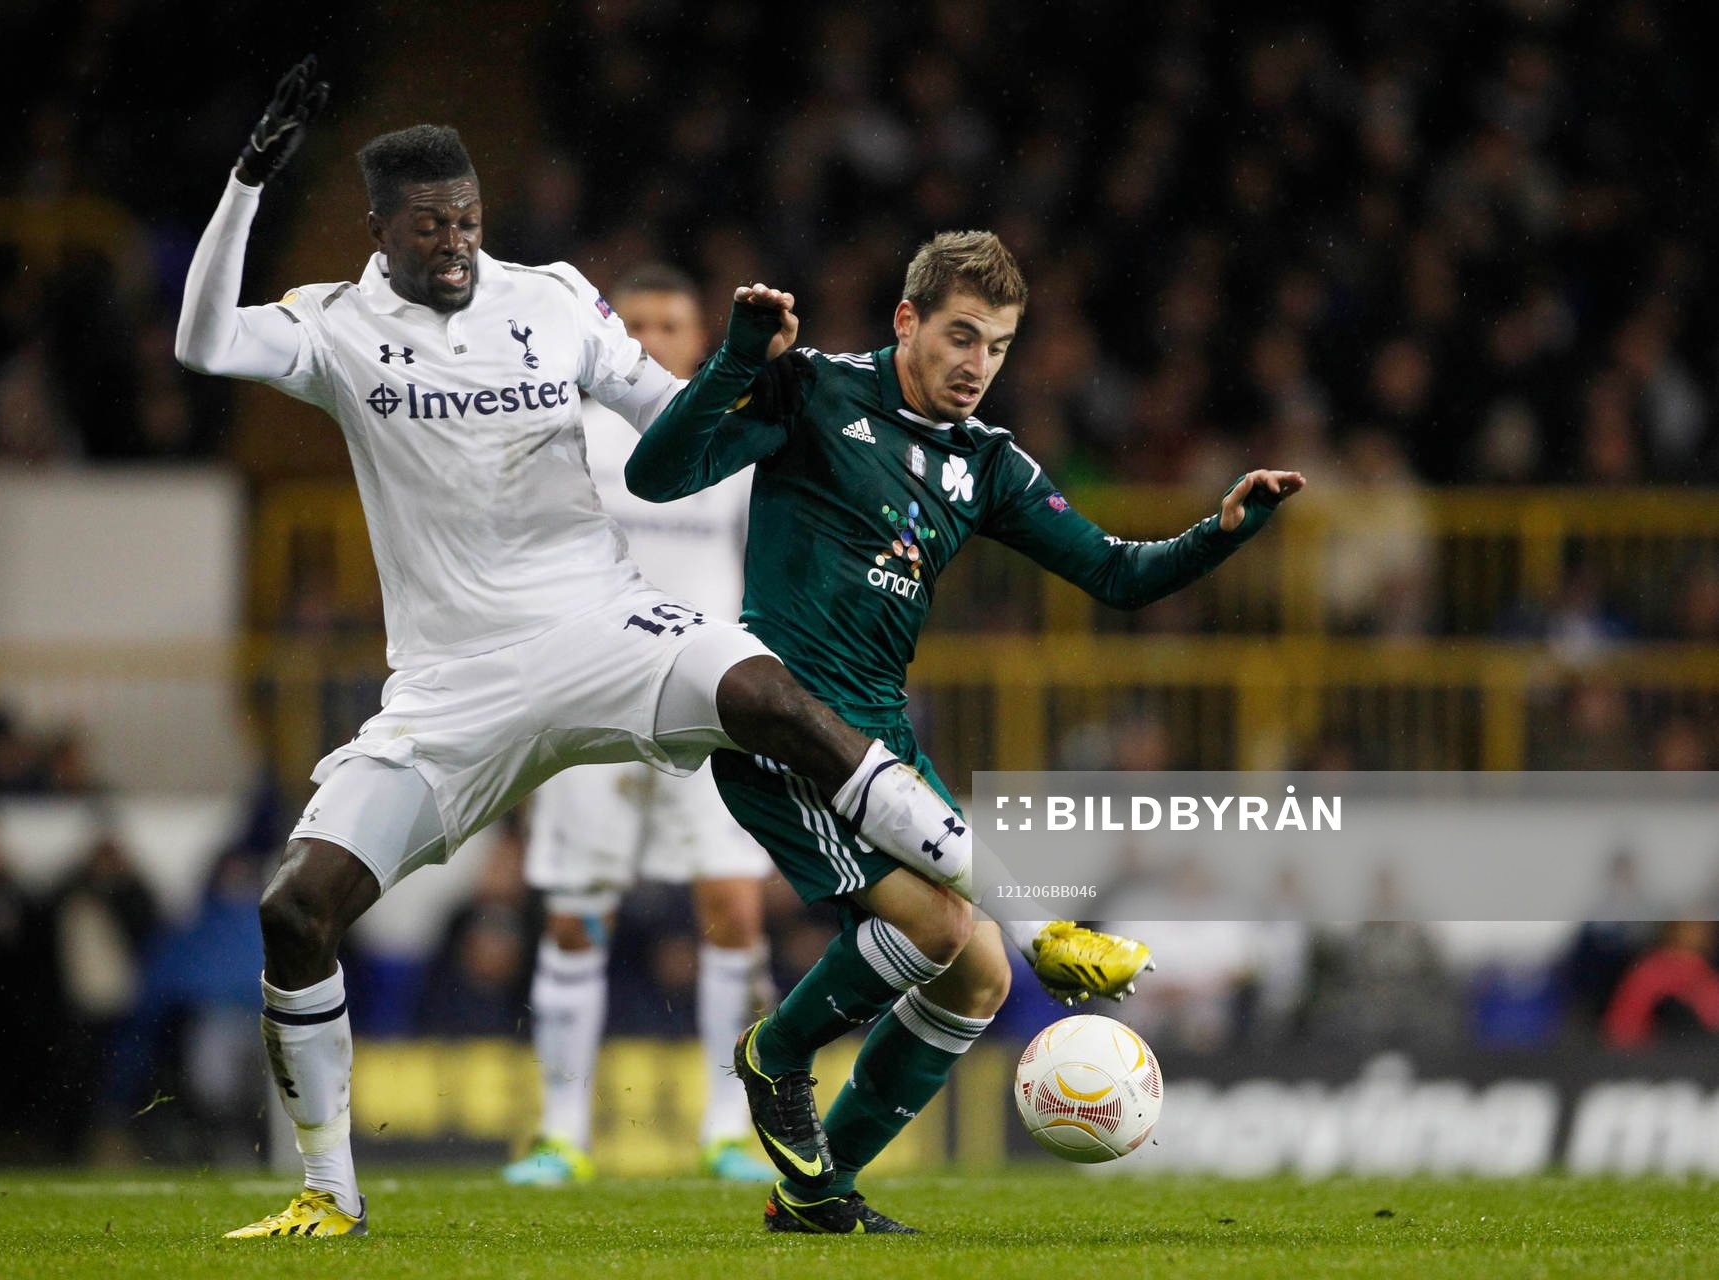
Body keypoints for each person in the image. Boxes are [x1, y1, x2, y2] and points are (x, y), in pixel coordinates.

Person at [175, 60, 1132, 1239]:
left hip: (599, 626)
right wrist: (248, 182)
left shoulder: (557, 301)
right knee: (295, 908)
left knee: (771, 695)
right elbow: (205, 339)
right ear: (380, 231)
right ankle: (330, 1189)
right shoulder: (335, 323)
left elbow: (680, 431)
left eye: (470, 218)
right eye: (431, 226)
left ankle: (1026, 929)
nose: (457, 242)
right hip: (452, 684)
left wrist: (750, 374)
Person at [627, 232, 1304, 1233]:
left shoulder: (987, 462)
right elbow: (655, 472)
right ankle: (775, 1051)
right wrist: (735, 359)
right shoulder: (812, 389)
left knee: (981, 967)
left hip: (883, 735)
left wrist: (1219, 533)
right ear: (907, 321)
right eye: (958, 336)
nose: (976, 364)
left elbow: (1117, 574)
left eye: (996, 345)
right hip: (785, 722)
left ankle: (815, 1192)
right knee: (939, 927)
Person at [504, 265, 775, 1186]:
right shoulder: (568, 437)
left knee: (734, 910)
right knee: (578, 918)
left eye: (673, 324)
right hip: (594, 700)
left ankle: (727, 1127)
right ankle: (563, 1130)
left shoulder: (735, 444)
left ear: (700, 341)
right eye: (642, 323)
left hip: (710, 704)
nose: (655, 339)